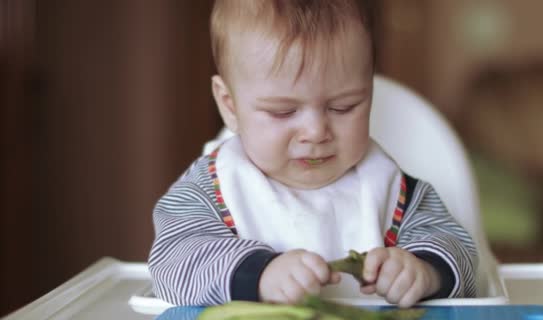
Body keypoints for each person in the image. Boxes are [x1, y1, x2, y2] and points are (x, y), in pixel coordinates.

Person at [149, 0, 477, 308]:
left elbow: (460, 251)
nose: (316, 132)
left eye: (343, 107)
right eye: (282, 111)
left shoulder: (393, 191)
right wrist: (259, 275)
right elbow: (173, 263)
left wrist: (424, 271)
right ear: (229, 105)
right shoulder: (212, 190)